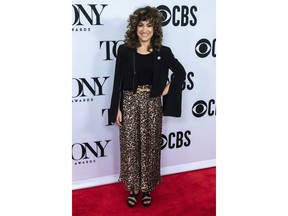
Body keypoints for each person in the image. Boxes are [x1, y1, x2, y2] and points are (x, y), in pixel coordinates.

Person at [109, 6, 186, 207]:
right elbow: (117, 80)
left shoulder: (163, 52)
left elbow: (180, 72)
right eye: (141, 25)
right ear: (135, 28)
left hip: (152, 105)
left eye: (149, 25)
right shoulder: (125, 51)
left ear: (155, 29)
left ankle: (147, 187)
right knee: (130, 148)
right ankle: (134, 188)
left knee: (150, 148)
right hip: (129, 102)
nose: (145, 29)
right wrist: (117, 108)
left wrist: (166, 89)